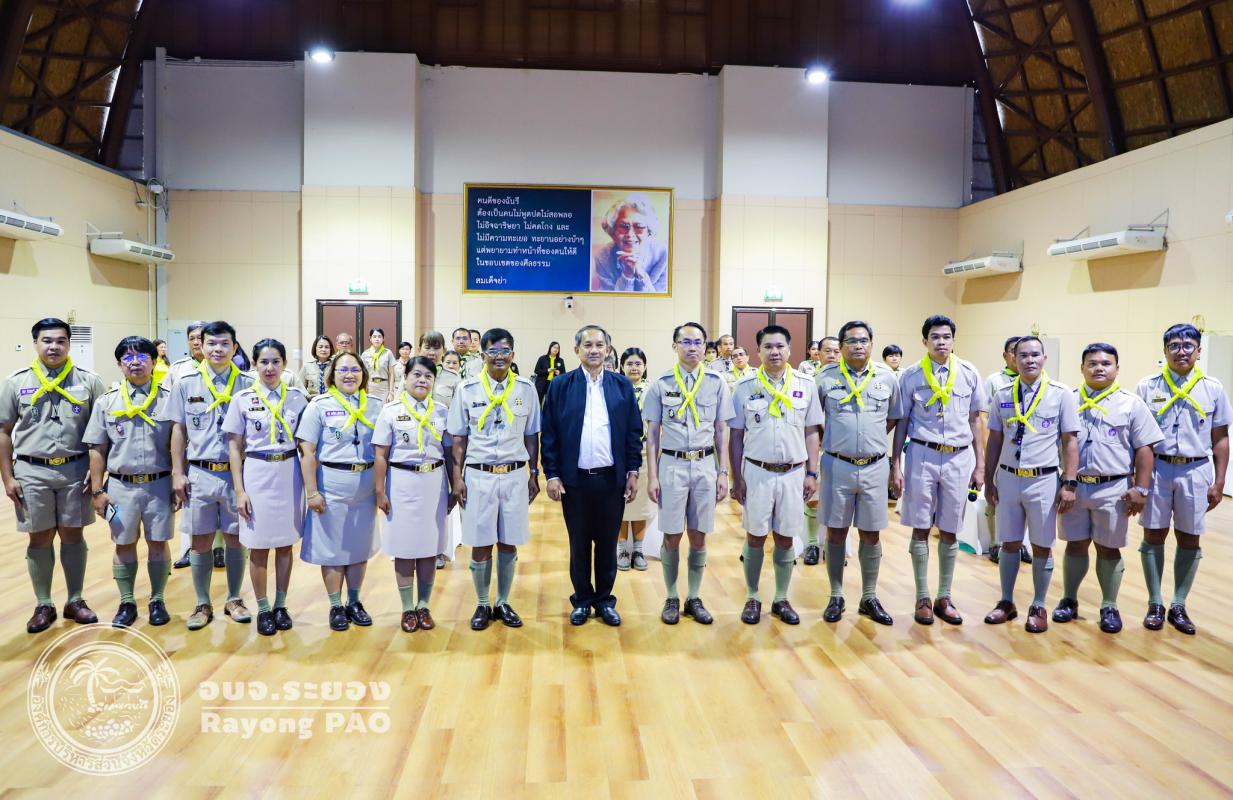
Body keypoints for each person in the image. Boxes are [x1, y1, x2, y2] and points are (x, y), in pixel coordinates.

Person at [1, 318, 107, 633]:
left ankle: (75, 600)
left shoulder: (89, 381)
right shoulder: (15, 382)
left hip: (76, 470)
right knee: (40, 536)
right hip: (32, 471)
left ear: (69, 344)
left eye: (61, 341)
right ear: (36, 343)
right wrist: (7, 477)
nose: (54, 347)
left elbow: (102, 432)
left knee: (73, 534)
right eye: (47, 340)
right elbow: (3, 431)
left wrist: (98, 475)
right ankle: (43, 604)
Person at [1051, 344, 1161, 634]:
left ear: (1117, 368)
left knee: (1108, 548)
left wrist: (1142, 489)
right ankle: (1069, 599)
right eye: (1092, 363)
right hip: (1074, 487)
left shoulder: (1131, 404)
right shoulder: (1067, 401)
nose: (1099, 368)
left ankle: (1109, 605)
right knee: (1075, 544)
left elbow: (1145, 448)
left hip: (1113, 488)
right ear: (1082, 368)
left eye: (1106, 363)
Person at [542, 325, 643, 627]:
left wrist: (633, 471)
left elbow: (633, 432)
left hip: (611, 480)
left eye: (600, 345)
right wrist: (552, 474)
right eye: (587, 345)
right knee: (579, 543)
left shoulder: (621, 385)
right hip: (574, 482)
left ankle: (604, 600)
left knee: (608, 544)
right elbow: (550, 433)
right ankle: (582, 600)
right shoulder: (561, 385)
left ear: (608, 350)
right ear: (577, 350)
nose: (594, 350)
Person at [890, 316, 987, 626]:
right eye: (935, 337)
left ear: (953, 340)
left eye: (946, 336)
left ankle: (944, 596)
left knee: (950, 528)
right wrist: (895, 464)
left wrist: (981, 464)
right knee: (920, 526)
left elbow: (976, 420)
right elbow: (902, 422)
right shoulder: (911, 376)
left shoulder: (969, 373)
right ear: (925, 341)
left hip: (958, 457)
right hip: (922, 454)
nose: (941, 341)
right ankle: (922, 597)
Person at [1136, 323, 1230, 635]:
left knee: (1190, 537)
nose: (1181, 351)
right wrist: (1137, 480)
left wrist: (1219, 481)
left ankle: (1178, 604)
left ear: (1199, 351)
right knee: (1153, 535)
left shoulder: (1213, 388)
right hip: (1157, 469)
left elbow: (1220, 437)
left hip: (1195, 470)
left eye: (1188, 345)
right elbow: (1137, 438)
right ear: (1165, 351)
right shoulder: (1147, 387)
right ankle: (1155, 603)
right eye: (1174, 345)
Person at [983, 335, 1079, 633]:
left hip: (1043, 479)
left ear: (1044, 358)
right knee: (1009, 542)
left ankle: (1038, 604)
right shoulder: (1002, 394)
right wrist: (988, 479)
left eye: (1035, 355)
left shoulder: (1061, 394)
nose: (1029, 360)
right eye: (1023, 355)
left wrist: (1070, 483)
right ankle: (1006, 601)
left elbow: (1070, 441)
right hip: (1009, 478)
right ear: (1013, 359)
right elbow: (994, 439)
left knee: (1041, 545)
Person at [447, 328, 541, 631]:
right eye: (493, 351)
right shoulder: (467, 389)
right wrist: (457, 478)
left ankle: (502, 601)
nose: (499, 357)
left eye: (505, 351)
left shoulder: (526, 389)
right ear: (483, 354)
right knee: (480, 543)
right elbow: (458, 438)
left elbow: (532, 436)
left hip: (514, 475)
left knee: (509, 542)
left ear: (513, 355)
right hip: (479, 475)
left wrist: (534, 473)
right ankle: (481, 603)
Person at [729, 325, 821, 625]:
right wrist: (736, 478)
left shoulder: (806, 385)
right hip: (757, 472)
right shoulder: (745, 386)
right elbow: (736, 436)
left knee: (785, 537)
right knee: (755, 536)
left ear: (790, 350)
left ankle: (781, 598)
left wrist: (812, 472)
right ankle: (753, 596)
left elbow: (811, 432)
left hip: (793, 473)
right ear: (758, 351)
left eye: (780, 346)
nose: (774, 352)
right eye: (768, 346)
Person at [642, 321, 732, 625]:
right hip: (672, 465)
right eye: (686, 342)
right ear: (674, 346)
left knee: (698, 534)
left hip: (705, 465)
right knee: (671, 535)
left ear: (706, 347)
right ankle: (671, 596)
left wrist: (723, 472)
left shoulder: (717, 383)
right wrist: (653, 476)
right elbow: (653, 435)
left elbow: (722, 430)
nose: (692, 348)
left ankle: (694, 596)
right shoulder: (660, 384)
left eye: (698, 342)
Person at [84, 336, 176, 628]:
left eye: (142, 357)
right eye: (128, 358)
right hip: (120, 487)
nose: (135, 362)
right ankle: (126, 602)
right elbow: (97, 449)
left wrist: (178, 481)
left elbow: (179, 445)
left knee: (158, 543)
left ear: (154, 361)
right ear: (119, 364)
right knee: (123, 544)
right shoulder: (107, 401)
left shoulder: (169, 399)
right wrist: (97, 491)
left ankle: (157, 599)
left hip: (160, 484)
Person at [167, 320, 254, 630]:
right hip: (200, 473)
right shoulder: (185, 383)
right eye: (212, 343)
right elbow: (178, 430)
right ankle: (202, 602)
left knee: (236, 538)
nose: (218, 349)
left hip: (237, 475)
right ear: (200, 346)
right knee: (200, 540)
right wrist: (177, 473)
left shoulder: (248, 384)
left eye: (225, 343)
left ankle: (234, 598)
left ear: (234, 347)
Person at [816, 321, 901, 625]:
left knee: (871, 532)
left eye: (864, 340)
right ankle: (836, 595)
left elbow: (894, 417)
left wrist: (871, 441)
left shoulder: (887, 377)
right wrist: (837, 439)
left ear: (872, 344)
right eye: (851, 341)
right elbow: (813, 421)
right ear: (840, 347)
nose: (858, 346)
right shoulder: (825, 378)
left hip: (875, 466)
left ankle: (869, 597)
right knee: (836, 530)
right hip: (837, 464)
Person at [225, 339, 309, 636]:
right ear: (254, 364)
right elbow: (234, 447)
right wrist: (239, 490)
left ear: (285, 364)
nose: (270, 368)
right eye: (264, 362)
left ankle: (280, 605)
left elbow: (306, 445)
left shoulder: (298, 398)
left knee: (285, 545)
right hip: (257, 473)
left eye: (275, 361)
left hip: (289, 473)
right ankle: (262, 608)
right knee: (258, 546)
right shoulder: (242, 399)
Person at [296, 351, 382, 632]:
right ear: (332, 375)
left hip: (365, 486)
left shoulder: (375, 406)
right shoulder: (319, 406)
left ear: (363, 374)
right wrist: (312, 492)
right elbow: (307, 452)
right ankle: (335, 605)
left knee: (359, 547)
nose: (349, 375)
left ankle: (354, 602)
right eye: (343, 370)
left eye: (355, 370)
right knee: (332, 549)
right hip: (331, 485)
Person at [374, 356, 453, 633]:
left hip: (434, 483)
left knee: (430, 548)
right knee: (405, 548)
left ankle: (423, 605)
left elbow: (449, 452)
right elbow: (380, 454)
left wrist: (454, 487)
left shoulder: (442, 411)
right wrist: (380, 490)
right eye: (417, 375)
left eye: (428, 376)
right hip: (402, 483)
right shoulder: (390, 411)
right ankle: (407, 607)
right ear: (405, 378)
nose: (422, 380)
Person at [983, 336, 1032, 565]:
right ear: (1006, 355)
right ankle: (996, 543)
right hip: (1001, 450)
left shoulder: (1037, 383)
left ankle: (1021, 544)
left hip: (1027, 453)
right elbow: (984, 419)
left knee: (1026, 501)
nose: (1019, 356)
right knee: (996, 497)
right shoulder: (995, 381)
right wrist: (987, 452)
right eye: (1015, 351)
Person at [803, 334, 844, 566]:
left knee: (838, 501)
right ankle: (811, 543)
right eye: (827, 351)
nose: (832, 355)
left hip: (843, 451)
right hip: (818, 447)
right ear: (818, 353)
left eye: (836, 351)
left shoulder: (850, 380)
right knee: (814, 498)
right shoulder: (811, 380)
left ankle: (831, 545)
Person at [618, 348, 653, 571]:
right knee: (621, 503)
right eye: (629, 363)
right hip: (619, 453)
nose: (634, 368)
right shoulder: (615, 388)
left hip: (645, 451)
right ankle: (621, 548)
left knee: (641, 504)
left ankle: (638, 549)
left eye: (638, 363)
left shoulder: (652, 390)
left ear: (645, 366)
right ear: (622, 366)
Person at [591, 194, 669, 293]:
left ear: (649, 232)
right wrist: (627, 274)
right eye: (623, 226)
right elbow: (612, 300)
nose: (630, 234)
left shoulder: (663, 255)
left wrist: (640, 274)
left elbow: (658, 300)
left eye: (639, 226)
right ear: (613, 231)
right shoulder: (603, 257)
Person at [418, 331, 461, 409]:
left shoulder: (454, 377)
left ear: (444, 351)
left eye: (436, 348)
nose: (432, 352)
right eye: (427, 348)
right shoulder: (411, 375)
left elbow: (459, 407)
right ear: (419, 350)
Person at [361, 327, 396, 402]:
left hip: (384, 388)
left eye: (379, 336)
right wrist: (364, 388)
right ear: (370, 339)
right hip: (370, 387)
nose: (377, 339)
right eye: (374, 337)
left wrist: (391, 392)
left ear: (383, 339)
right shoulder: (365, 354)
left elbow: (391, 374)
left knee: (384, 408)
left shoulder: (388, 353)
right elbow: (363, 374)